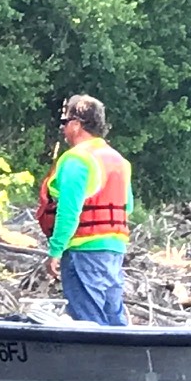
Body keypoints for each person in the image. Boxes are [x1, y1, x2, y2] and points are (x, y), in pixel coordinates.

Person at [39, 94, 133, 325]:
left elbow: (68, 212)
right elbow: (127, 206)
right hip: (114, 251)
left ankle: (93, 361)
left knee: (87, 321)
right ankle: (124, 360)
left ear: (77, 124)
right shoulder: (119, 160)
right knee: (113, 319)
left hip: (83, 251)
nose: (62, 129)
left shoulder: (77, 160)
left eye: (64, 123)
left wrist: (56, 251)